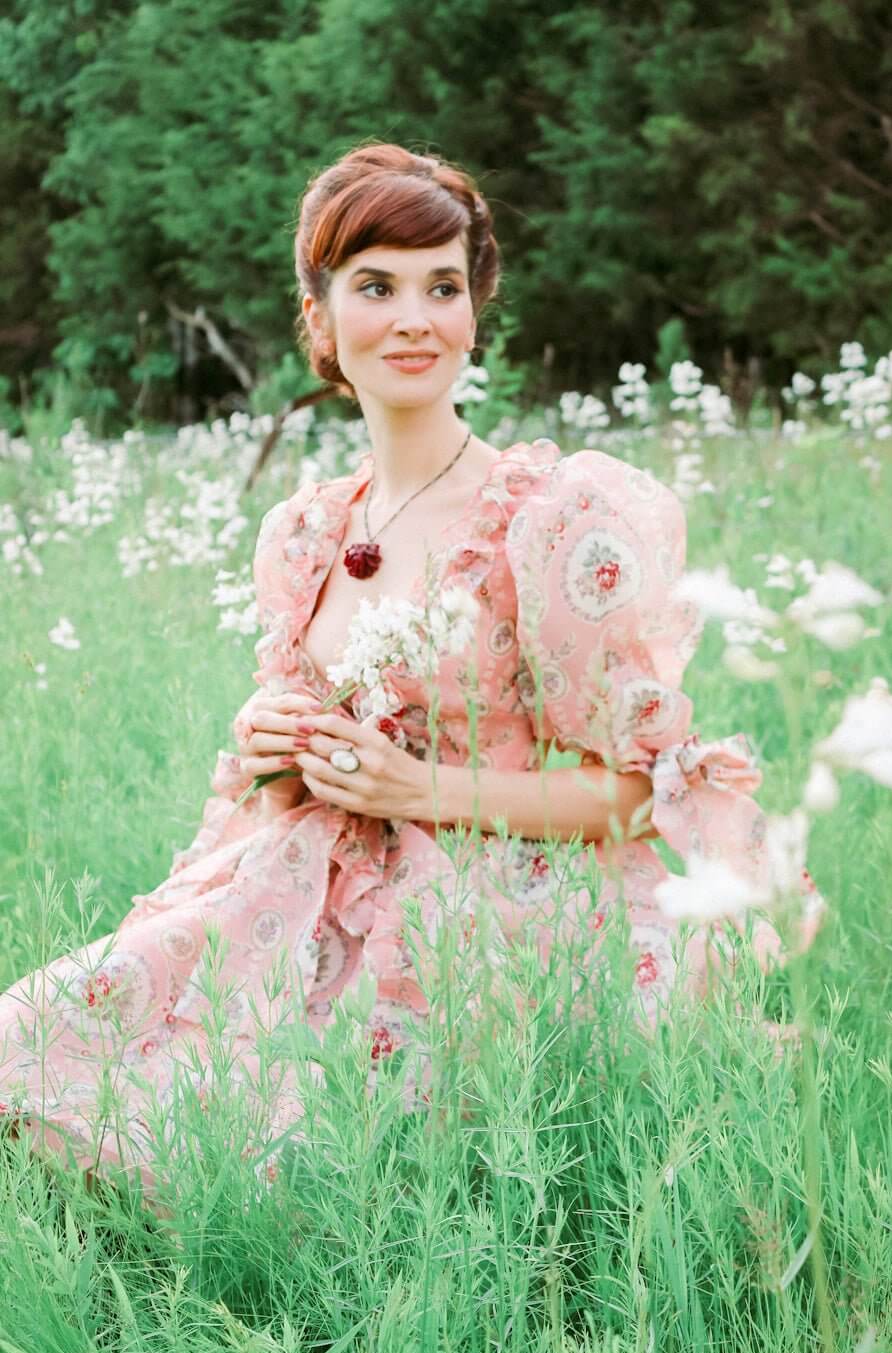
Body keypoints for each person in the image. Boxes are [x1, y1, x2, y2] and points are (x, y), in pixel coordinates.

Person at [0, 142, 825, 1212]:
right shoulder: (302, 532)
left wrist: (419, 790)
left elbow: (638, 791)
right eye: (375, 286)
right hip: (314, 885)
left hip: (502, 903)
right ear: (321, 314)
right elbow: (295, 760)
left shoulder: (552, 518)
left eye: (442, 286)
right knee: (37, 1035)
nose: (412, 319)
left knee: (342, 1162)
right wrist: (274, 745)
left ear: (474, 312)